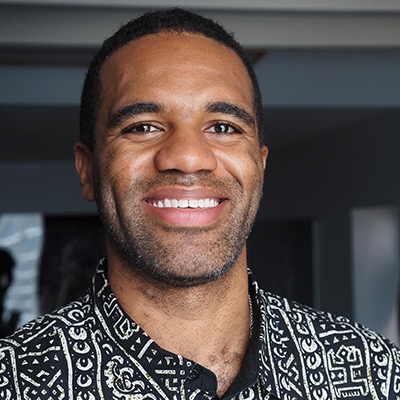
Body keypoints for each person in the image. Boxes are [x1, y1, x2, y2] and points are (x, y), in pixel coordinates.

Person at [0, 8, 398, 400]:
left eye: (223, 127)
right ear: (87, 171)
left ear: (259, 167)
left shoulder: (377, 372)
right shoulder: (15, 381)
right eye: (143, 127)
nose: (188, 158)